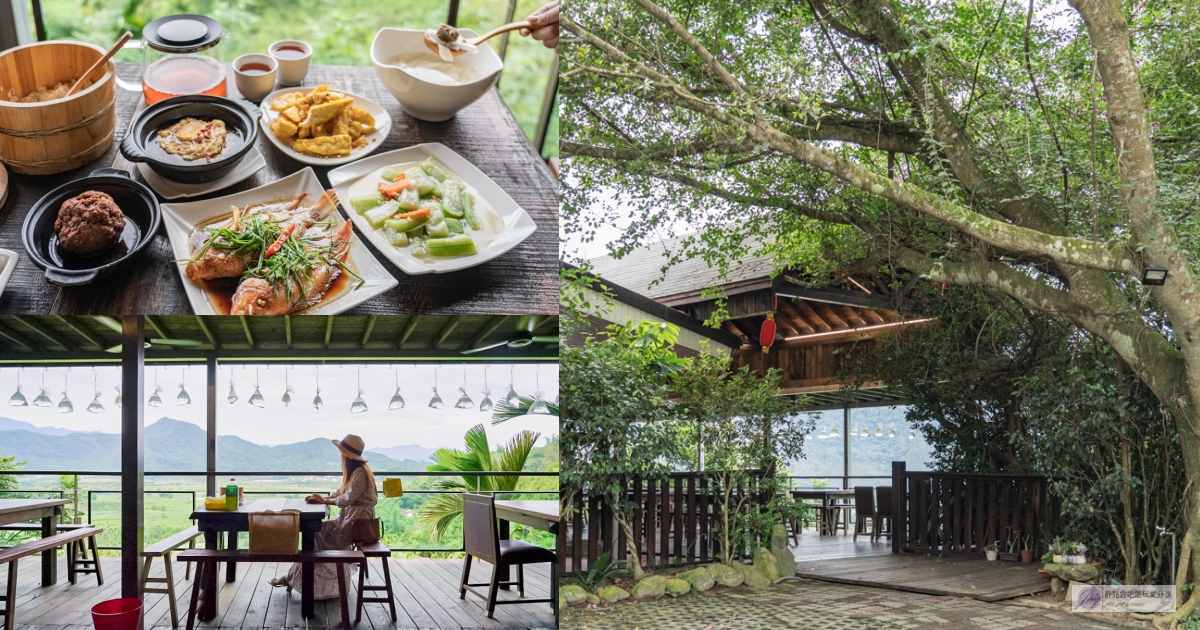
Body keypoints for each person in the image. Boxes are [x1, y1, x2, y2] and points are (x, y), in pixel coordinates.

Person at [269, 434, 378, 598]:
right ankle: (299, 579)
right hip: (351, 519)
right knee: (316, 531)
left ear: (346, 454)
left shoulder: (359, 473)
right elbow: (341, 493)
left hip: (355, 523)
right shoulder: (357, 471)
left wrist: (324, 500)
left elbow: (346, 499)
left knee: (315, 534)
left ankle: (296, 579)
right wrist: (322, 499)